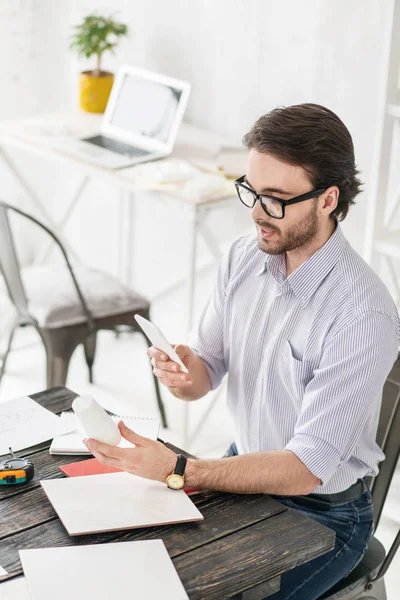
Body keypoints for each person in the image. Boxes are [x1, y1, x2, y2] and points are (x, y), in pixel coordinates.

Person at [84, 103, 400, 600]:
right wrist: (186, 374)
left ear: (327, 199)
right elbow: (206, 368)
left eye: (274, 199)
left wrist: (181, 468)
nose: (255, 211)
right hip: (245, 472)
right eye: (251, 190)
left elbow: (304, 468)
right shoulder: (243, 256)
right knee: (132, 570)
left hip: (325, 514)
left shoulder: (362, 314)